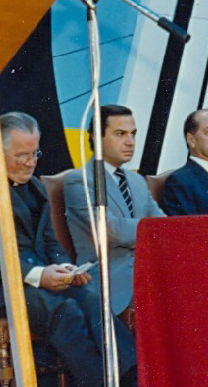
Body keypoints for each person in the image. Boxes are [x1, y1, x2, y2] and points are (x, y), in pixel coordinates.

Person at [0, 112, 142, 387]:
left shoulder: (37, 187)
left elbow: (51, 243)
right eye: (22, 155)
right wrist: (38, 274)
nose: (30, 163)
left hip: (34, 283)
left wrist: (68, 269)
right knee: (63, 310)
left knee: (92, 298)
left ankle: (135, 382)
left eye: (35, 154)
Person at [63, 104, 165, 315]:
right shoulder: (80, 181)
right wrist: (150, 230)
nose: (130, 142)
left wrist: (148, 230)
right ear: (96, 138)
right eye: (120, 134)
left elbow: (165, 227)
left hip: (150, 274)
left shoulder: (137, 181)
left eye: (133, 134)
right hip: (111, 282)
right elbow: (111, 231)